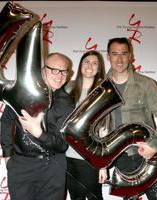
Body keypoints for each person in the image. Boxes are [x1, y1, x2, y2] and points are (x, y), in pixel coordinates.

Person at [100, 37, 157, 200]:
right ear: (108, 56)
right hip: (120, 155)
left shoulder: (146, 84)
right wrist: (102, 162)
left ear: (130, 56)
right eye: (114, 54)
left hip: (147, 154)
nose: (119, 59)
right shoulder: (101, 87)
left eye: (124, 54)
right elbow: (98, 126)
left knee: (156, 197)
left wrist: (154, 146)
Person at [0, 52, 75, 200]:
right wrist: (8, 154)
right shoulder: (22, 93)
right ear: (43, 70)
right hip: (21, 165)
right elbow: (6, 121)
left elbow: (62, 145)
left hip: (52, 166)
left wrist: (39, 133)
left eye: (64, 71)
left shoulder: (67, 104)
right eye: (54, 69)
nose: (59, 75)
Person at [65, 50, 108, 200]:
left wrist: (103, 165)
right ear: (81, 65)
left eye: (95, 63)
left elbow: (104, 130)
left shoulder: (102, 93)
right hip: (67, 156)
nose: (90, 65)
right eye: (86, 62)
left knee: (94, 197)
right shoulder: (67, 89)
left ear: (99, 68)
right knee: (75, 197)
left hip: (90, 158)